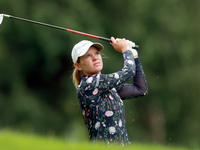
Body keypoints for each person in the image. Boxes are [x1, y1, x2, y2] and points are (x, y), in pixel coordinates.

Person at [71, 37, 148, 146]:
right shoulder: (88, 84)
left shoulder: (108, 88)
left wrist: (133, 54)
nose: (94, 58)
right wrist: (126, 50)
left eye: (97, 53)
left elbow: (141, 89)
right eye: (88, 56)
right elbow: (129, 71)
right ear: (78, 65)